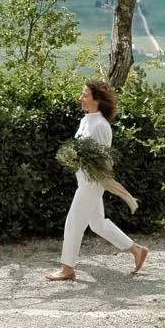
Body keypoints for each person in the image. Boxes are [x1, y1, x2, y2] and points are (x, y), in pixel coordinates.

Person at [45, 78, 149, 282]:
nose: (80, 98)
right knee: (97, 224)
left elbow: (103, 159)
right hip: (83, 180)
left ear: (97, 99)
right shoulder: (86, 120)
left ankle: (67, 268)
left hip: (91, 183)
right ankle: (137, 250)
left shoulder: (101, 125)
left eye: (84, 95)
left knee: (74, 221)